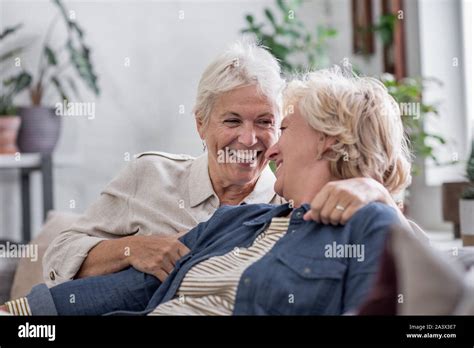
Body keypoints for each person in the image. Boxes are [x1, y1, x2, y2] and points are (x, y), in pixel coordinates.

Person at [3, 66, 414, 315]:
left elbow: (414, 287)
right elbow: (129, 288)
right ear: (202, 125)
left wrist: (377, 196)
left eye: (277, 126)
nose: (265, 145)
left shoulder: (367, 227)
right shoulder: (241, 220)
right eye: (231, 120)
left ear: (327, 139)